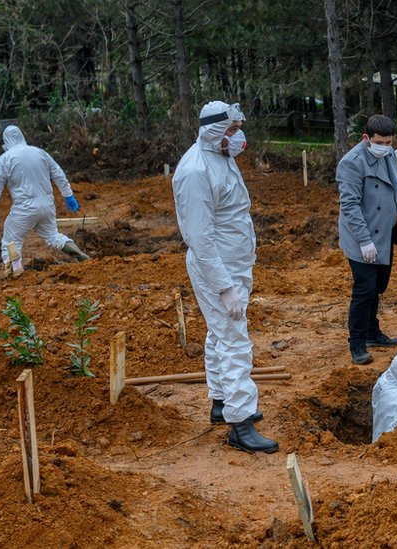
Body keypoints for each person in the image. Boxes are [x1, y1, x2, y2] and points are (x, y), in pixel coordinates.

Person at [172, 100, 277, 453]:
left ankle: (221, 402)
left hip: (233, 263)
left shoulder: (221, 157)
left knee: (219, 334)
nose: (237, 136)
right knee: (234, 340)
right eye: (231, 129)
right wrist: (225, 288)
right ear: (214, 130)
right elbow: (201, 238)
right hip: (217, 269)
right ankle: (240, 423)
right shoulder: (196, 172)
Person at [337, 115, 397, 365]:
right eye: (380, 142)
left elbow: (395, 191)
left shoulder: (387, 155)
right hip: (362, 238)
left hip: (384, 235)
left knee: (378, 288)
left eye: (389, 142)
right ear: (366, 138)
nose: (385, 147)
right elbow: (350, 205)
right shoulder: (351, 163)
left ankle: (371, 332)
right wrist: (365, 241)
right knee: (364, 290)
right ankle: (357, 344)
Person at [0, 125, 90, 264]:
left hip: (24, 207)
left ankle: (14, 272)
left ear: (6, 141)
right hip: (47, 205)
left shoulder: (5, 159)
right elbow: (58, 174)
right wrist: (68, 195)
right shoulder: (40, 153)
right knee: (53, 236)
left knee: (10, 241)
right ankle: (81, 256)